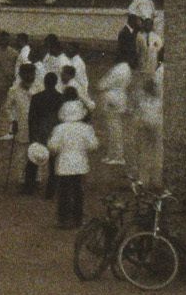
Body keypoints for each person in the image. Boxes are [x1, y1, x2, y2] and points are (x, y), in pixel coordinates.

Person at [48, 97, 98, 228]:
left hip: (63, 164)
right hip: (80, 164)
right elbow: (93, 145)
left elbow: (53, 146)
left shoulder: (59, 128)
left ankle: (63, 219)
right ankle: (78, 218)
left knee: (63, 193)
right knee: (78, 192)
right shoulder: (86, 128)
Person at [98, 29, 135, 168]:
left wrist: (100, 85)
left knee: (114, 129)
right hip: (118, 98)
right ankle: (113, 154)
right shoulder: (126, 68)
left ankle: (117, 156)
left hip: (113, 99)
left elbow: (104, 84)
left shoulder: (120, 69)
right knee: (114, 128)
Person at [26, 71, 64, 196]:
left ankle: (29, 187)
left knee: (33, 160)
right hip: (54, 132)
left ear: (45, 82)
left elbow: (31, 119)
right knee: (53, 163)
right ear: (56, 83)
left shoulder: (37, 97)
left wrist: (32, 135)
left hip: (40, 132)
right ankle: (51, 190)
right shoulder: (61, 98)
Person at [129, 57, 164, 187]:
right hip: (156, 125)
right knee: (156, 153)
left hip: (145, 124)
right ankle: (156, 180)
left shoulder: (142, 98)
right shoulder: (159, 100)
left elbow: (134, 110)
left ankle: (144, 179)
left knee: (145, 152)